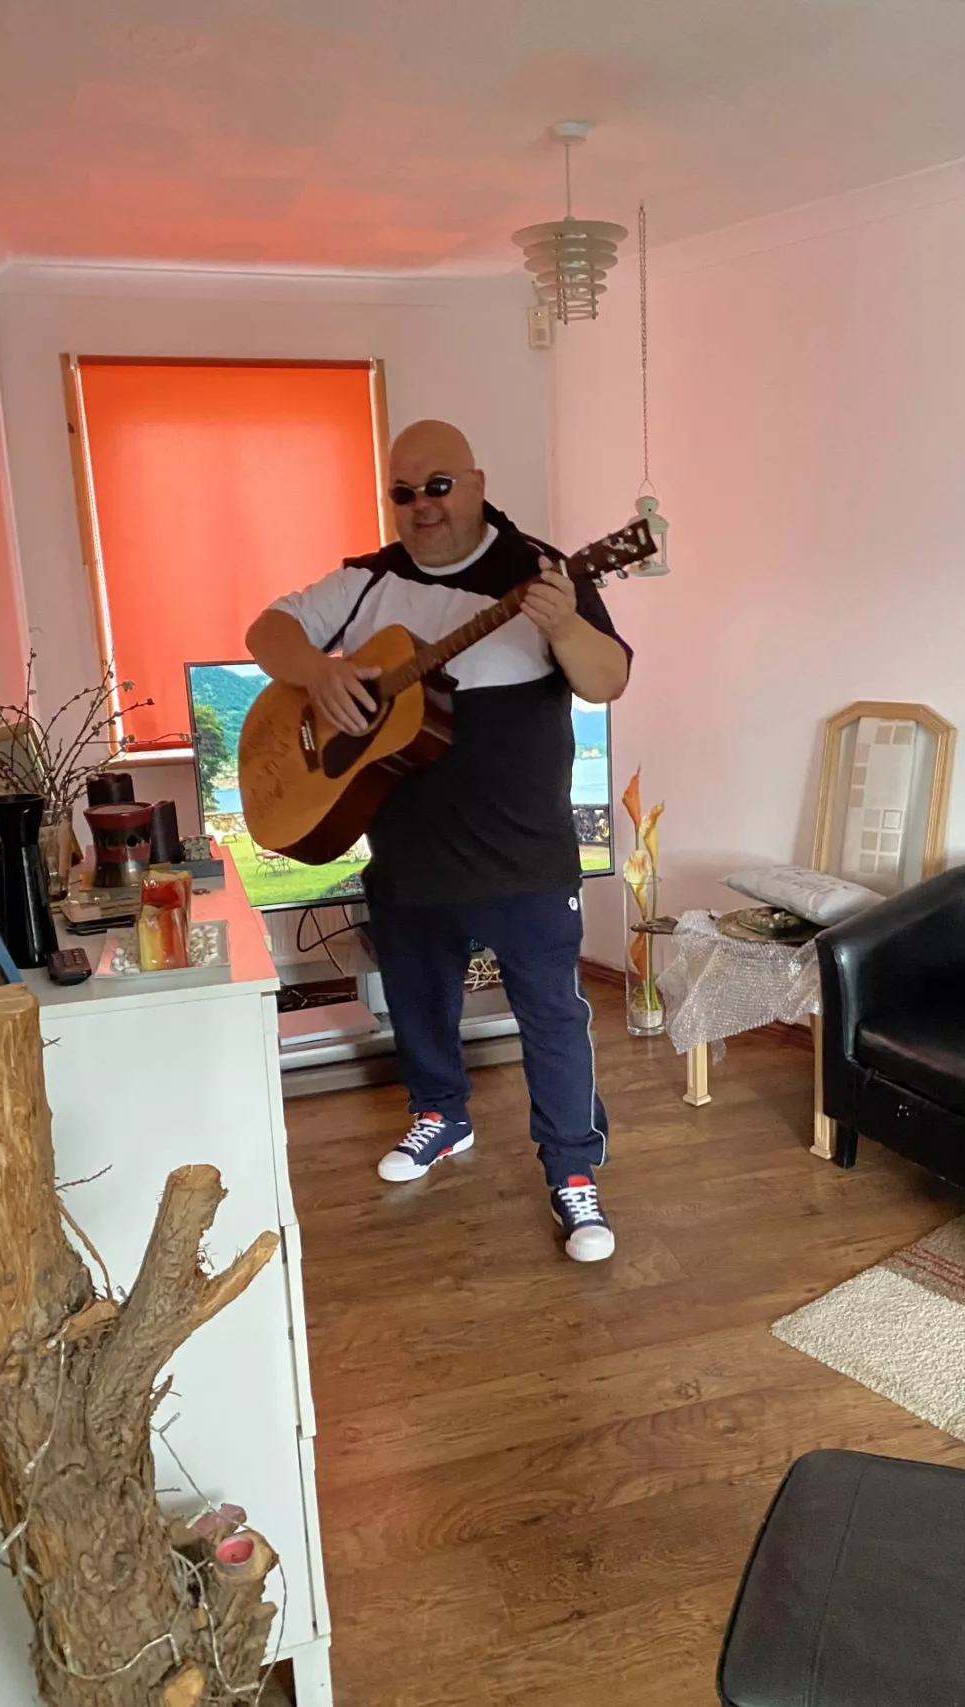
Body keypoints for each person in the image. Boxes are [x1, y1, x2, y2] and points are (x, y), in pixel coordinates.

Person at [246, 420, 631, 1261]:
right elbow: (266, 632)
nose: (421, 504)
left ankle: (573, 1170)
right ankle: (440, 1115)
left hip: (524, 859)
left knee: (551, 1020)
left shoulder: (543, 572)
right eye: (404, 491)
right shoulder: (367, 580)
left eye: (439, 486)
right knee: (417, 1003)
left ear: (478, 482)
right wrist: (321, 671)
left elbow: (608, 678)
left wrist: (566, 626)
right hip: (408, 856)